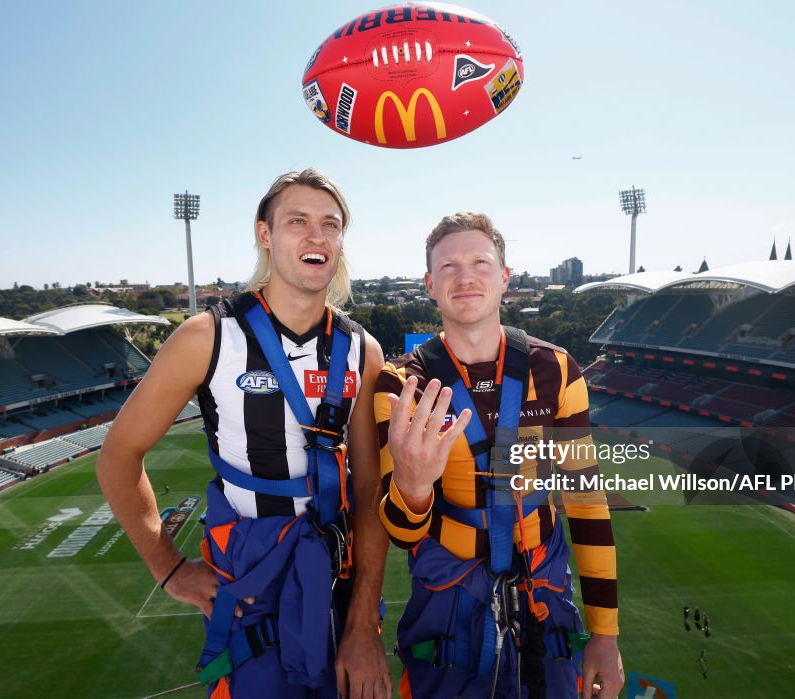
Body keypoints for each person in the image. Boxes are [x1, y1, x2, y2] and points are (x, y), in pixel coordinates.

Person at [97, 168, 390, 699]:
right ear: (265, 234)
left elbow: (369, 490)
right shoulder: (207, 337)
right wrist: (168, 569)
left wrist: (364, 621)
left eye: (330, 224)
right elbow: (119, 455)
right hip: (250, 573)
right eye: (297, 221)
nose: (316, 236)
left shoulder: (362, 349)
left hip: (335, 574)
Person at [375, 213, 624, 699]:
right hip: (447, 597)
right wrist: (415, 486)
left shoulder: (554, 369)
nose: (465, 277)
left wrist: (605, 634)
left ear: (505, 277)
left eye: (480, 262)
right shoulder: (401, 381)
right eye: (448, 267)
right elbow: (400, 533)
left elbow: (587, 504)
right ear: (429, 284)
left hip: (543, 594)